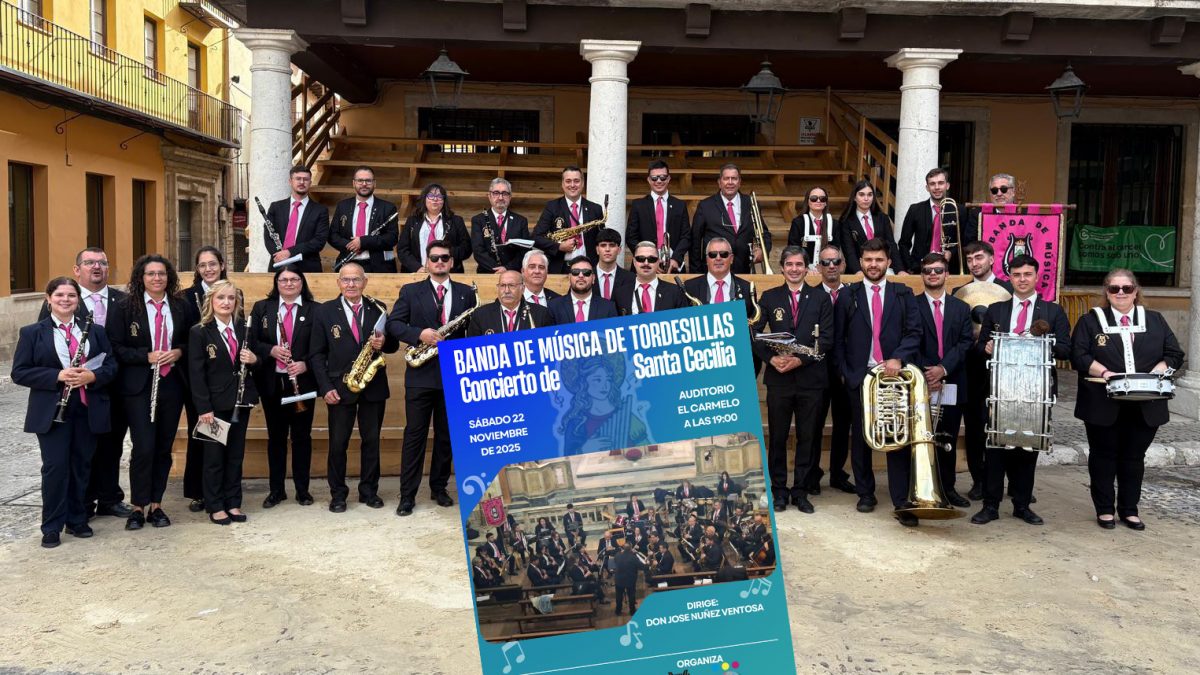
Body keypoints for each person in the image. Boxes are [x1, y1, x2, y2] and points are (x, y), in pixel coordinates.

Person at [1071, 270, 1184, 530]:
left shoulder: (1154, 320)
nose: (1120, 293)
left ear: (1136, 291)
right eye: (1114, 288)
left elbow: (1174, 353)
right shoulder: (1090, 321)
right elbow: (1078, 354)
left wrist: (1158, 371)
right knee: (1103, 456)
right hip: (1103, 402)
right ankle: (1104, 509)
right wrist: (1105, 373)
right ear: (1106, 292)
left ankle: (1129, 510)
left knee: (1134, 458)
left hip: (1145, 403)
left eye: (1126, 288)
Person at [13, 277, 118, 548]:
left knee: (82, 466)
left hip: (86, 407)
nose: (66, 300)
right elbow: (19, 372)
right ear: (48, 298)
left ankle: (76, 519)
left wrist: (92, 376)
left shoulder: (94, 331)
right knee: (55, 468)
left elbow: (111, 365)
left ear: (78, 300)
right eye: (59, 295)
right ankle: (51, 526)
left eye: (71, 295)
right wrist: (57, 375)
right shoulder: (32, 332)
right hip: (52, 411)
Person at [971, 255, 1071, 526]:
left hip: (1036, 392)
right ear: (1010, 278)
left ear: (1037, 277)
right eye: (1017, 275)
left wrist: (1045, 342)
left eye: (1027, 274)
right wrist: (986, 348)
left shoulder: (1053, 312)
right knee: (994, 449)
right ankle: (990, 506)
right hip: (999, 389)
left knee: (1028, 448)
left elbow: (1066, 350)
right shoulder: (996, 310)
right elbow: (978, 348)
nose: (1022, 279)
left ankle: (1022, 505)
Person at [37, 248, 132, 519]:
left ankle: (109, 497)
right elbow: (44, 343)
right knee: (81, 450)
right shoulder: (64, 299)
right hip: (75, 390)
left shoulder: (123, 301)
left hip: (113, 384)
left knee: (111, 445)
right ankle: (83, 502)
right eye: (89, 263)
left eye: (102, 262)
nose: (96, 267)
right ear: (77, 269)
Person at [832, 238, 922, 518]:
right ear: (860, 262)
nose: (873, 265)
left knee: (896, 438)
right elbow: (838, 339)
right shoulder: (848, 295)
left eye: (879, 259)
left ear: (889, 262)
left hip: (893, 377)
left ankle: (901, 499)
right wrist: (846, 374)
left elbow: (914, 332)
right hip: (860, 378)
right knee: (861, 438)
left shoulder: (903, 293)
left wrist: (898, 357)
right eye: (868, 260)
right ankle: (865, 493)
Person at [387, 241, 477, 516]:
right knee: (414, 436)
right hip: (420, 375)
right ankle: (407, 495)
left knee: (446, 437)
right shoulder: (410, 291)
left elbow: (471, 332)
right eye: (434, 258)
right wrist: (419, 334)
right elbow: (394, 324)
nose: (439, 262)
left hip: (453, 374)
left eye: (444, 257)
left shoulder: (466, 293)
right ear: (427, 262)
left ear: (452, 262)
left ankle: (439, 488)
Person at [108, 255, 191, 530]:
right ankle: (138, 506)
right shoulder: (124, 307)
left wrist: (178, 352)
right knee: (144, 447)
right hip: (139, 386)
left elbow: (191, 340)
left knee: (163, 448)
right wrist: (146, 356)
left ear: (169, 277)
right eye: (151, 274)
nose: (157, 278)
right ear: (141, 278)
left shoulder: (180, 305)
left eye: (162, 273)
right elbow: (114, 347)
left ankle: (156, 504)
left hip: (171, 383)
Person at [310, 262, 400, 513]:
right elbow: (316, 354)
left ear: (365, 282)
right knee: (338, 444)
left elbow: (393, 346)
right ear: (338, 283)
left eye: (356, 279)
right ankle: (338, 494)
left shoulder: (378, 308)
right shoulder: (324, 311)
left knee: (371, 441)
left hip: (373, 386)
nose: (351, 284)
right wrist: (325, 388)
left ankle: (369, 491)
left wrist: (384, 342)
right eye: (346, 280)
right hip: (339, 388)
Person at [754, 246, 834, 514]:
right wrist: (771, 359)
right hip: (779, 379)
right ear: (782, 268)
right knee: (777, 437)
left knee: (807, 437)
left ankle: (800, 491)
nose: (794, 269)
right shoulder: (769, 297)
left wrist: (800, 360)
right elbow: (753, 334)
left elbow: (827, 339)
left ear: (807, 268)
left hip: (811, 380)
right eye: (789, 264)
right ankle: (778, 491)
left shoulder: (821, 298)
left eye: (799, 264)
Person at [187, 280, 258, 525]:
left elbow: (255, 363)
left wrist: (254, 359)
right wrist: (203, 408)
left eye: (231, 298)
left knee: (235, 456)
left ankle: (233, 502)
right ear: (211, 301)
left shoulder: (243, 327)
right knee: (214, 458)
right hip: (213, 406)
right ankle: (215, 505)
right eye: (221, 298)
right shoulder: (199, 331)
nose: (226, 302)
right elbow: (196, 375)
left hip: (240, 402)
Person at [250, 266, 318, 508]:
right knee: (276, 438)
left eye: (294, 279)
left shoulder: (315, 310)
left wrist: (305, 364)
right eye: (283, 279)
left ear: (302, 282)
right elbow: (251, 341)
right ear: (276, 283)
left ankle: (302, 490)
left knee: (302, 438)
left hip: (303, 384)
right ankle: (276, 490)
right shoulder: (262, 308)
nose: (289, 283)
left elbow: (321, 347)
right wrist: (271, 350)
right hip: (272, 383)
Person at [913, 253, 975, 512]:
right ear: (922, 275)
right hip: (921, 382)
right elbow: (908, 340)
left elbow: (965, 343)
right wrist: (928, 373)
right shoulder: (911, 305)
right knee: (922, 436)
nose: (933, 274)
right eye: (928, 270)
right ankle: (921, 487)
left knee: (947, 436)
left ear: (946, 274)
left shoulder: (961, 308)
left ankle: (947, 488)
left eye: (938, 270)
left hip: (952, 381)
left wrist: (943, 369)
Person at [953, 240, 1014, 500]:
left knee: (1007, 426)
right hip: (972, 369)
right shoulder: (959, 292)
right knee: (975, 428)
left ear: (992, 259)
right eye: (969, 259)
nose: (974, 263)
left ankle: (1014, 483)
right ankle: (979, 480)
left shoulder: (1010, 290)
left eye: (979, 257)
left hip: (1005, 370)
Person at [803, 244, 854, 496]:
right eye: (826, 262)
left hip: (845, 371)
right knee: (814, 425)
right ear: (818, 267)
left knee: (843, 425)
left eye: (835, 261)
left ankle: (837, 474)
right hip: (817, 371)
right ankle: (812, 474)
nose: (831, 266)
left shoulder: (854, 294)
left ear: (843, 264)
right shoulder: (810, 295)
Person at [181, 245, 228, 513]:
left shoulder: (232, 293)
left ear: (222, 265)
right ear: (197, 270)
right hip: (197, 379)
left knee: (223, 438)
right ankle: (198, 491)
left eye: (212, 264)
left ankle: (221, 488)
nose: (208, 269)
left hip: (224, 380)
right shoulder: (186, 298)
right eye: (202, 265)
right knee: (200, 433)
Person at [689, 163, 770, 274]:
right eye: (726, 178)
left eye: (734, 178)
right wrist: (696, 273)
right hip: (714, 271)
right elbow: (695, 242)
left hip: (744, 270)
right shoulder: (705, 206)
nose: (730, 182)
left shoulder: (750, 203)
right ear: (719, 182)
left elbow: (763, 233)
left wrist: (763, 250)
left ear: (740, 182)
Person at [899, 167, 973, 272]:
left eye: (941, 183)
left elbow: (966, 242)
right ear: (927, 187)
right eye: (932, 184)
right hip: (920, 270)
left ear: (947, 185)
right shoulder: (915, 210)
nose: (937, 187)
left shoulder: (960, 210)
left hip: (950, 270)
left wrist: (951, 253)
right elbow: (903, 243)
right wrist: (911, 266)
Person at [329, 166, 400, 273]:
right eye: (360, 180)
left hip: (379, 266)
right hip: (348, 263)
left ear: (374, 183)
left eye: (368, 181)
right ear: (353, 183)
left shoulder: (388, 208)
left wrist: (363, 242)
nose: (364, 184)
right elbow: (333, 235)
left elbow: (392, 238)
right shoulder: (342, 206)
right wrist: (351, 245)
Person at [533, 166, 604, 273]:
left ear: (582, 183)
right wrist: (559, 246)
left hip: (589, 268)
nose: (572, 185)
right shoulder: (552, 207)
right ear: (562, 184)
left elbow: (601, 239)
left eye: (576, 181)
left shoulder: (595, 209)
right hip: (560, 268)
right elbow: (536, 237)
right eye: (568, 181)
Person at [626, 160, 690, 273]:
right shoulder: (638, 205)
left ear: (669, 178)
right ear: (649, 180)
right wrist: (648, 259)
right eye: (654, 178)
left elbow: (686, 236)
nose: (659, 181)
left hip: (673, 266)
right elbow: (631, 237)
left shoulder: (680, 205)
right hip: (644, 265)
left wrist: (676, 258)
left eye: (663, 177)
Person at [265, 165, 329, 273]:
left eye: (306, 179)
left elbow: (319, 241)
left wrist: (290, 252)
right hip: (279, 265)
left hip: (308, 267)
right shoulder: (276, 207)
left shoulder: (320, 210)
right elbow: (268, 235)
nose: (302, 182)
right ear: (290, 181)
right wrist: (279, 255)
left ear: (310, 182)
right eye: (298, 178)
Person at [397, 183, 471, 273]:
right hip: (417, 273)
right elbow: (402, 249)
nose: (435, 199)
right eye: (431, 196)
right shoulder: (412, 221)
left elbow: (466, 248)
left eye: (439, 196)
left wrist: (446, 253)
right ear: (424, 198)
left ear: (444, 201)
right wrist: (417, 267)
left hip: (448, 273)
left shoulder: (456, 221)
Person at [836, 179, 902, 274]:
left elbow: (891, 245)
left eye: (870, 195)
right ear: (854, 197)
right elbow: (849, 250)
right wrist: (858, 271)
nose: (866, 198)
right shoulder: (846, 221)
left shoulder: (883, 218)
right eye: (861, 195)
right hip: (858, 270)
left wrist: (900, 270)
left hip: (882, 269)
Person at [471, 178, 531, 274]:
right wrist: (497, 269)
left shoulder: (521, 221)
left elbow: (525, 250)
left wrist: (507, 268)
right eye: (496, 193)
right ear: (489, 196)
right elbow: (478, 251)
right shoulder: (478, 220)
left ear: (510, 197)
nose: (500, 197)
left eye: (505, 193)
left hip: (514, 273)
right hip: (487, 273)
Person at [467, 270, 551, 336]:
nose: (507, 291)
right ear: (498, 288)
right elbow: (472, 347)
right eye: (502, 286)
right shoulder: (481, 315)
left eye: (511, 285)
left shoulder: (541, 314)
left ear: (522, 289)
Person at [615, 241, 689, 315]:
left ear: (658, 262)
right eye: (640, 258)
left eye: (651, 259)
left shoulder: (675, 292)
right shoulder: (620, 294)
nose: (646, 263)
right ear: (634, 262)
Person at [548, 258, 619, 324]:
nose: (581, 275)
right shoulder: (554, 306)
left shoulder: (608, 308)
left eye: (586, 272)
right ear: (569, 278)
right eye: (575, 272)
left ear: (593, 278)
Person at [787, 185, 834, 266]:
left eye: (822, 198)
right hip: (803, 268)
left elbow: (835, 250)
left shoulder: (834, 224)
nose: (818, 201)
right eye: (814, 198)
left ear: (826, 202)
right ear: (807, 201)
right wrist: (806, 268)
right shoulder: (798, 223)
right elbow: (793, 249)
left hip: (827, 267)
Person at [612, 544, 646, 615]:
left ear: (623, 549)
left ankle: (618, 611)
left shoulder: (617, 555)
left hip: (619, 579)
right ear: (631, 549)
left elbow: (613, 564)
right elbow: (642, 567)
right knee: (631, 595)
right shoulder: (633, 557)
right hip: (630, 579)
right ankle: (632, 611)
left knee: (619, 596)